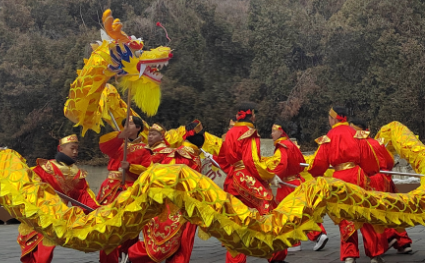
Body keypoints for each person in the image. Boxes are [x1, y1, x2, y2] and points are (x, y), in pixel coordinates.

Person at [308, 106, 383, 263]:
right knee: (364, 213)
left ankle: (350, 254)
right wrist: (371, 172)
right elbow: (368, 158)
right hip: (357, 176)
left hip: (339, 179)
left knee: (345, 216)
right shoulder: (356, 133)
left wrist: (313, 172)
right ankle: (374, 254)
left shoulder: (329, 137)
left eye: (329, 118)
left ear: (333, 119)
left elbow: (319, 163)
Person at [214, 103, 288, 263]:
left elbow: (220, 158)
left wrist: (234, 170)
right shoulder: (249, 132)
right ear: (252, 116)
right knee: (268, 210)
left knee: (237, 222)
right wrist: (269, 176)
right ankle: (276, 256)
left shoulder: (229, 133)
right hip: (247, 178)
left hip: (233, 179)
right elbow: (252, 161)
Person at [126, 123, 201, 263]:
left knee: (166, 243)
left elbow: (153, 172)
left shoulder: (176, 154)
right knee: (181, 246)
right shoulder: (192, 156)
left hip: (173, 205)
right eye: (149, 134)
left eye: (153, 134)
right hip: (186, 206)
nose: (150, 137)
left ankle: (134, 255)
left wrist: (131, 167)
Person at [18, 134, 98, 263]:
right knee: (34, 253)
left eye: (77, 149)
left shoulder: (76, 175)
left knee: (44, 255)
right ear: (60, 149)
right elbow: (28, 180)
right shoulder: (46, 168)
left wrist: (96, 211)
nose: (75, 152)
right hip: (39, 214)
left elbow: (83, 196)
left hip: (55, 219)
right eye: (72, 148)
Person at [349, 119, 414, 255]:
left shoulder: (356, 146)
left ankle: (389, 237)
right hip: (385, 179)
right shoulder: (376, 142)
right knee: (392, 210)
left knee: (376, 212)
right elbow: (389, 161)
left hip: (370, 181)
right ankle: (403, 242)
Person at [97, 115, 152, 263]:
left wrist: (131, 167)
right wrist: (120, 136)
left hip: (130, 191)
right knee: (108, 227)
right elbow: (104, 146)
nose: (126, 126)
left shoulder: (145, 149)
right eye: (124, 124)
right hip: (110, 190)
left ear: (138, 128)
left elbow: (148, 171)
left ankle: (128, 255)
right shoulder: (117, 144)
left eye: (130, 124)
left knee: (129, 228)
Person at [268, 121, 329, 252]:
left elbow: (281, 164)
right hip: (296, 181)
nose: (271, 134)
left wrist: (271, 175)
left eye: (274, 131)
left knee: (286, 213)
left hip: (286, 185)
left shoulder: (282, 146)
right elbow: (301, 161)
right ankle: (318, 234)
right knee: (302, 211)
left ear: (281, 131)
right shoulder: (291, 144)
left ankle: (296, 242)